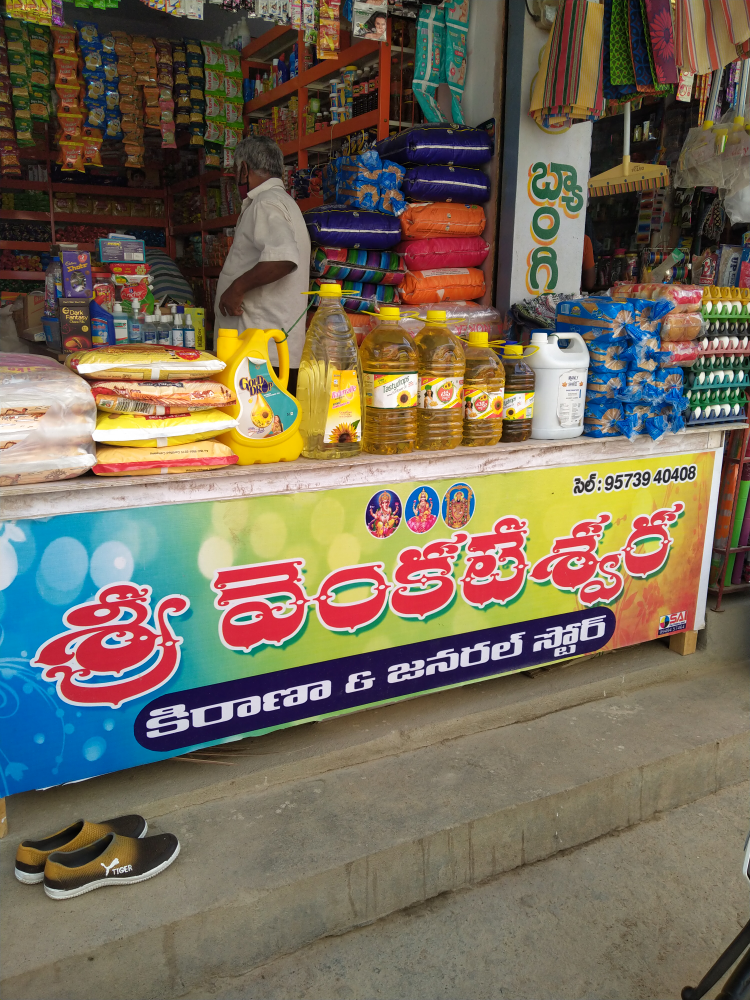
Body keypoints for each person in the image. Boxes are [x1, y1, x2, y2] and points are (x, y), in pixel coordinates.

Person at [216, 136, 311, 394]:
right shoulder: (283, 202)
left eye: (237, 172)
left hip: (261, 355)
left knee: (260, 427)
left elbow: (284, 257)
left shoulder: (266, 202)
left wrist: (237, 287)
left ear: (244, 169)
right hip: (270, 351)